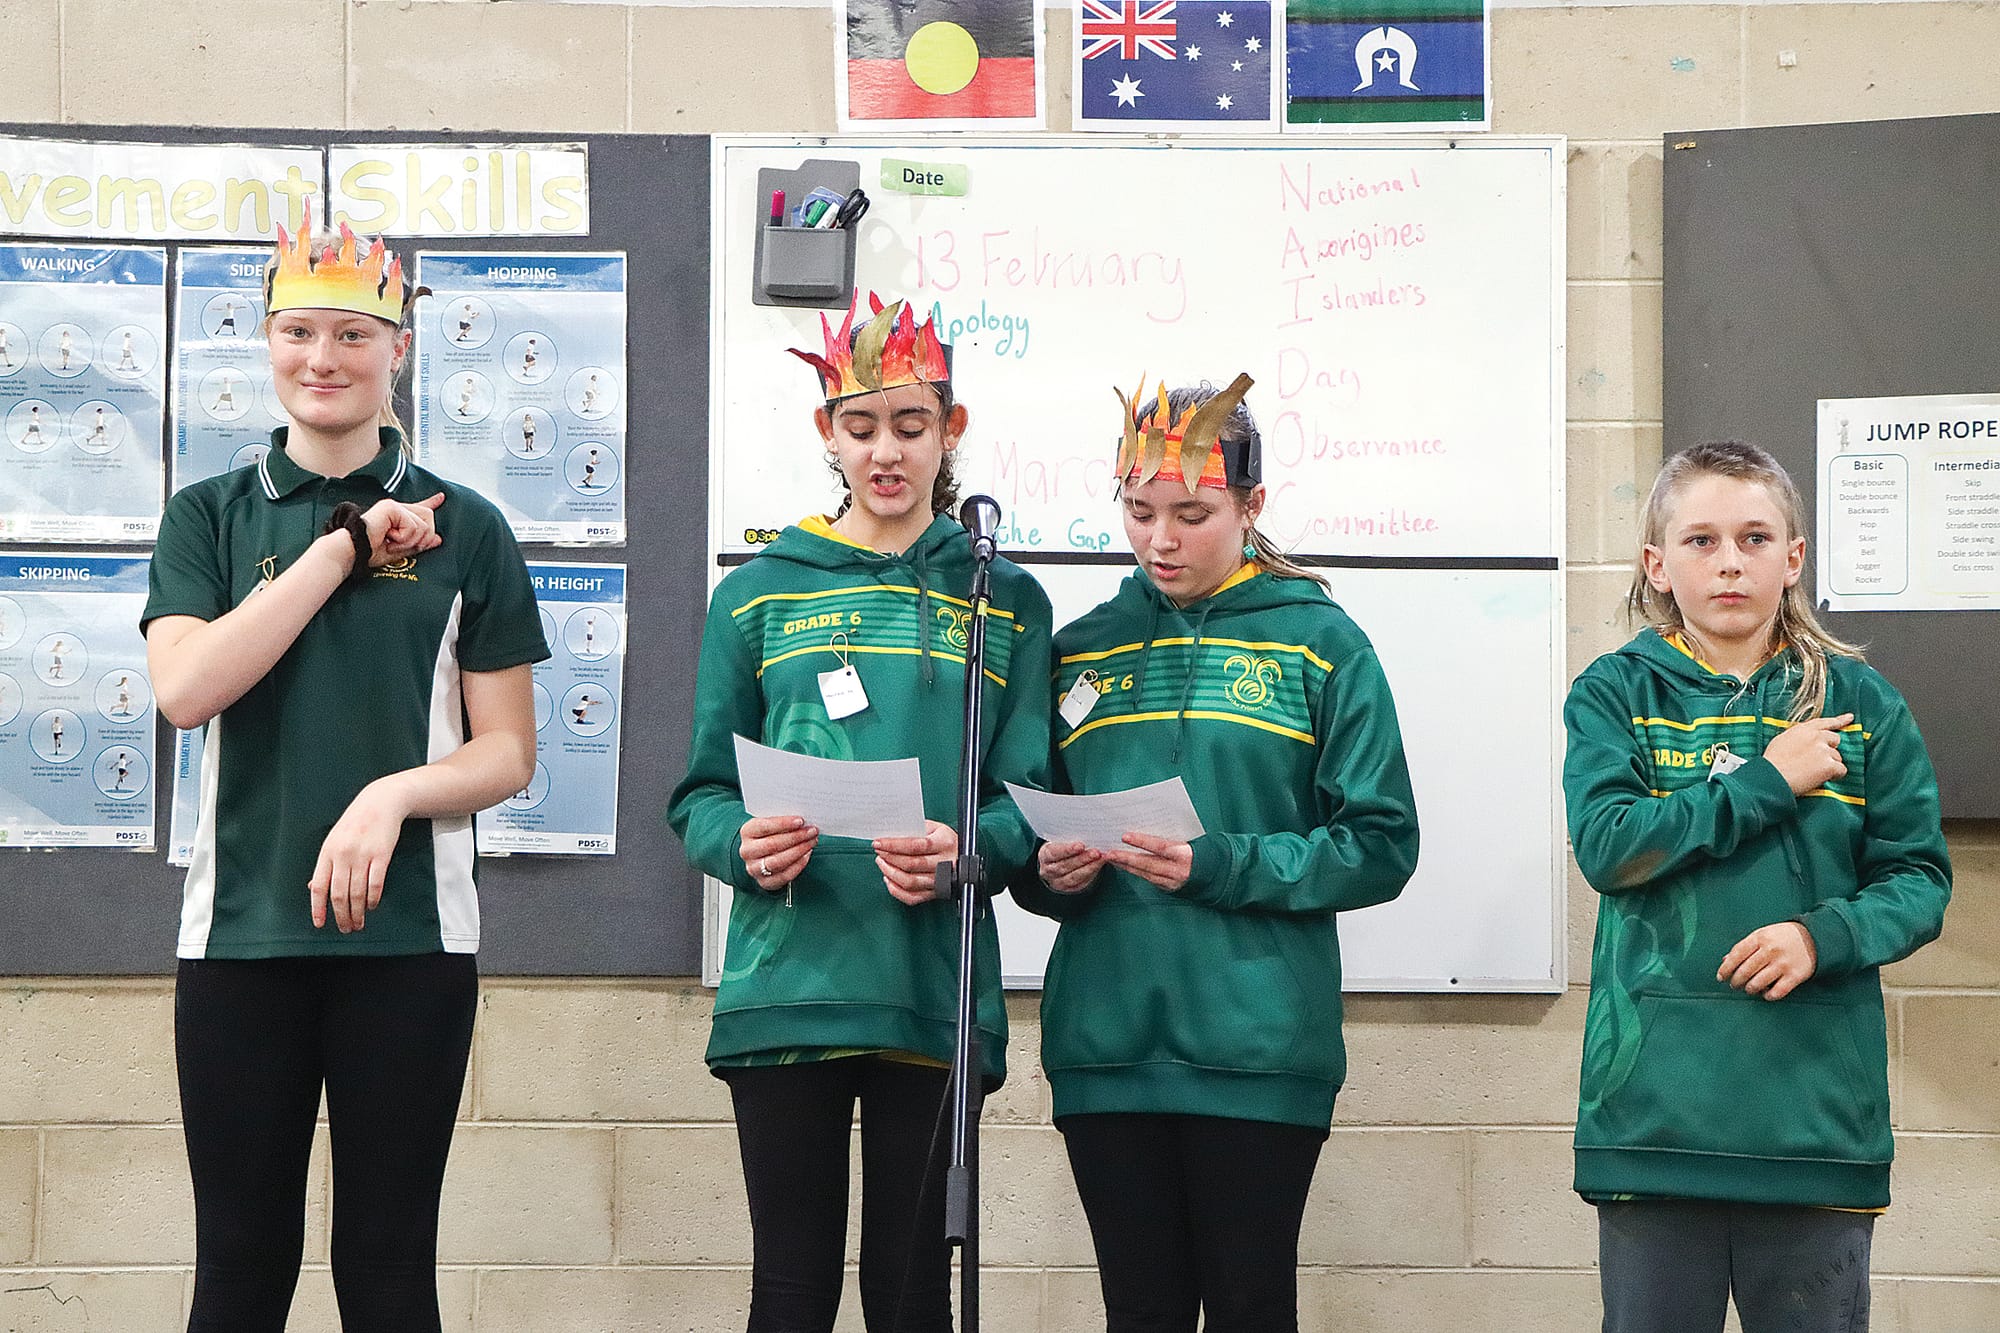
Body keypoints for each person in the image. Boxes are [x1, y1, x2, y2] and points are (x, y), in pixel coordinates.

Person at [142, 220, 547, 1333]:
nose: (323, 356)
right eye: (298, 330)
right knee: (238, 1269)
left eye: (354, 333)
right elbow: (186, 692)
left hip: (411, 943)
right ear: (266, 343)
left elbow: (507, 751)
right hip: (240, 936)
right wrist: (341, 547)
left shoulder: (470, 526)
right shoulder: (208, 515)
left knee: (385, 1270)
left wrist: (391, 793)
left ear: (399, 349)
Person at [667, 292, 1052, 1333]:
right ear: (825, 433)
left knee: (911, 1291)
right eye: (861, 425)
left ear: (950, 431)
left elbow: (1027, 804)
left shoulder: (1004, 597)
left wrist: (966, 848)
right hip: (787, 981)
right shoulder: (758, 592)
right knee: (789, 1290)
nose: (885, 451)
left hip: (932, 983)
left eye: (911, 425)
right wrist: (739, 845)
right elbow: (699, 794)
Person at [1012, 376, 1420, 1333]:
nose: (1161, 539)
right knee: (1139, 1313)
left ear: (1251, 505)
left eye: (1192, 514)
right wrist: (1047, 876)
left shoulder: (1322, 643)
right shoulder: (1080, 650)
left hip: (1258, 1050)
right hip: (1105, 1049)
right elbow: (1030, 830)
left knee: (1248, 1308)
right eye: (1140, 511)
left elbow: (1381, 843)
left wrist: (1222, 863)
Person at [1563, 440, 1951, 1333]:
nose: (1729, 560)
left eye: (1753, 537)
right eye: (1699, 540)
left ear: (1794, 557)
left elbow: (1920, 878)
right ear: (1657, 564)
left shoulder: (1862, 701)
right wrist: (1765, 783)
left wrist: (1821, 937)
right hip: (1653, 1127)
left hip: (1813, 1128)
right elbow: (1609, 846)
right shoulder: (1613, 693)